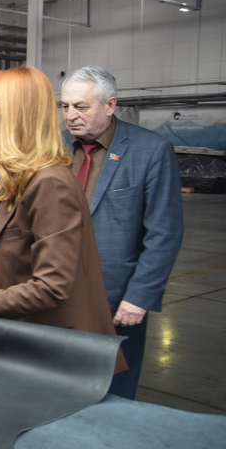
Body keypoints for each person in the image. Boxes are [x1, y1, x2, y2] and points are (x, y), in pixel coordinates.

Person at [0, 67, 127, 374]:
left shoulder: (49, 183)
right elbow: (17, 263)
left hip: (55, 353)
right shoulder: (22, 179)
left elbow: (51, 287)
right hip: (28, 340)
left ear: (9, 117)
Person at [61, 65, 183, 398]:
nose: (70, 115)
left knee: (113, 389)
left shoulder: (150, 150)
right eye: (65, 106)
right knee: (60, 382)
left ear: (110, 105)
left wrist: (139, 297)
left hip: (115, 298)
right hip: (56, 290)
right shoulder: (56, 147)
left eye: (80, 106)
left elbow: (164, 233)